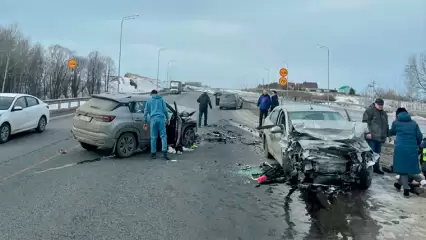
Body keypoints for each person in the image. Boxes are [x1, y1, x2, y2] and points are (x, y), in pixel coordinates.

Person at [389, 107, 423, 197]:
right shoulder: (414, 123)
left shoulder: (396, 123)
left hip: (400, 149)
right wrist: (418, 144)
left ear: (397, 115)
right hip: (412, 149)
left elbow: (391, 132)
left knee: (403, 170)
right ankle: (399, 184)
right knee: (409, 168)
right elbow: (419, 136)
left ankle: (406, 189)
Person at [362, 98, 389, 174]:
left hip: (380, 137)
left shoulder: (384, 113)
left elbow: (386, 125)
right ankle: (368, 169)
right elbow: (365, 123)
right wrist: (368, 133)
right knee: (370, 153)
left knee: (377, 153)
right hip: (372, 137)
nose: (381, 106)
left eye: (382, 105)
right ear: (375, 104)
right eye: (379, 105)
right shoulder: (369, 111)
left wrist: (388, 135)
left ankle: (376, 168)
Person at [143, 90, 170, 160]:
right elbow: (165, 110)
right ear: (157, 93)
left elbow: (145, 112)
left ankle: (153, 154)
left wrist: (145, 122)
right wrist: (167, 118)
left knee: (153, 137)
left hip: (153, 120)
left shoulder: (149, 101)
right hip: (161, 119)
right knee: (163, 136)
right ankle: (164, 153)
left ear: (151, 94)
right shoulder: (161, 100)